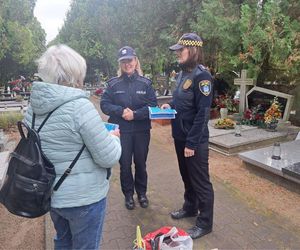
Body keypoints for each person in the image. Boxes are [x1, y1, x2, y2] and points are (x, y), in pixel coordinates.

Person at [24, 44, 122, 250]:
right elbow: (108, 157)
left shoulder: (32, 107)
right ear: (73, 74)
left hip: (52, 195)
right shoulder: (79, 107)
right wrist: (113, 137)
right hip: (84, 199)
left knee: (63, 241)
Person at [161, 33, 214, 239]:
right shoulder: (183, 74)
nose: (177, 55)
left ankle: (205, 222)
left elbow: (203, 113)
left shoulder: (203, 77)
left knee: (201, 181)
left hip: (195, 141)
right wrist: (170, 105)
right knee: (187, 176)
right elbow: (181, 101)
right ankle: (190, 207)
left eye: (180, 51)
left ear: (192, 51)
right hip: (180, 136)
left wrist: (192, 142)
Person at [100, 46, 157, 210]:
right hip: (121, 131)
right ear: (120, 64)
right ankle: (128, 195)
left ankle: (142, 194)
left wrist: (136, 115)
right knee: (125, 164)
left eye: (130, 60)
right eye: (123, 61)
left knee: (140, 163)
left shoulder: (145, 84)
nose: (127, 64)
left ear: (135, 61)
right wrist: (120, 111)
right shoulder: (113, 84)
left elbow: (153, 106)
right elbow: (104, 104)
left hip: (141, 131)